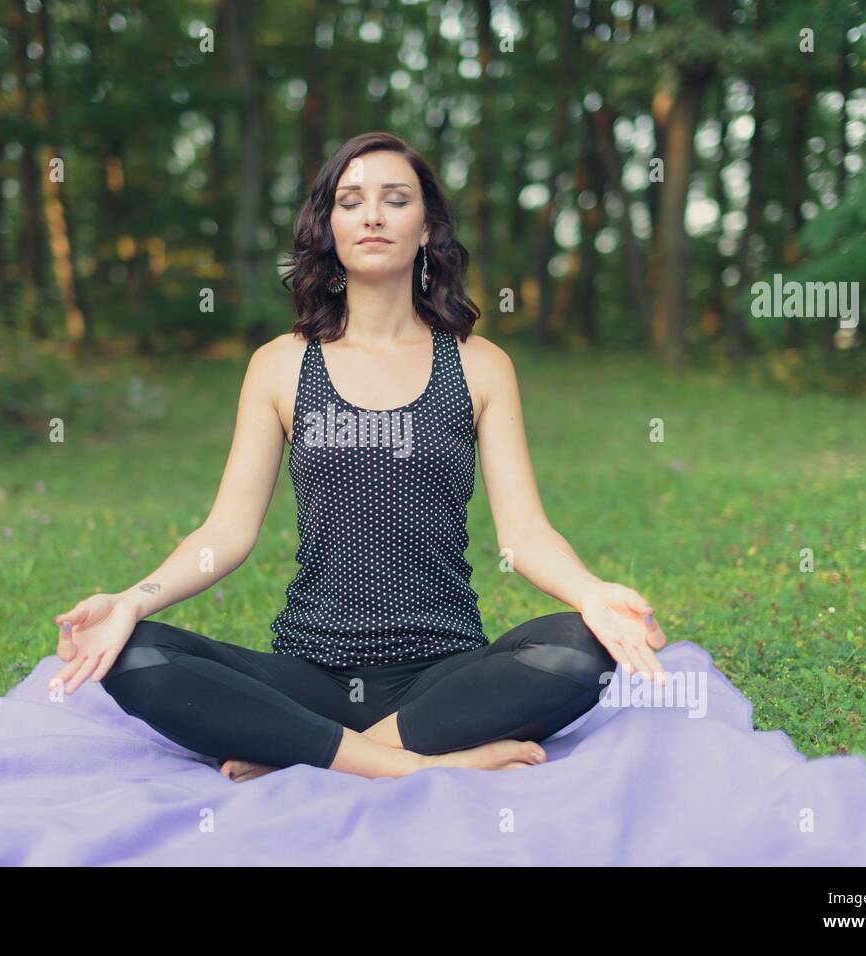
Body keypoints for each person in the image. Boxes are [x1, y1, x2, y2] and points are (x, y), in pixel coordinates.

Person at [49, 131, 669, 783]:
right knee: (131, 654)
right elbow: (224, 534)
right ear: (330, 226)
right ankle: (413, 765)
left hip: (442, 674)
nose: (372, 215)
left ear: (426, 228)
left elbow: (525, 535)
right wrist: (132, 599)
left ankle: (313, 754)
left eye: (394, 199)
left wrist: (593, 593)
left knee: (580, 649)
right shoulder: (281, 365)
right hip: (307, 673)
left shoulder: (480, 366)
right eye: (352, 201)